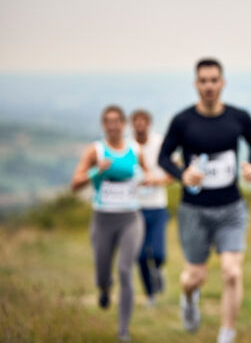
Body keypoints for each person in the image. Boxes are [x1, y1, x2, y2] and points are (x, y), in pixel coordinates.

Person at [158, 58, 251, 343]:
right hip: (194, 212)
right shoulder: (183, 121)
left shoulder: (238, 117)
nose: (209, 86)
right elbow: (163, 157)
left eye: (214, 80)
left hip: (231, 209)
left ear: (222, 82)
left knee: (231, 272)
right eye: (203, 81)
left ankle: (226, 334)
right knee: (195, 277)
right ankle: (189, 299)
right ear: (196, 84)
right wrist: (182, 174)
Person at [71, 105, 150, 342]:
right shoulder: (96, 151)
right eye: (108, 121)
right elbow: (75, 184)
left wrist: (141, 180)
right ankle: (104, 288)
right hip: (103, 219)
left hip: (130, 218)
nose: (113, 125)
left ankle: (123, 330)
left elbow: (145, 175)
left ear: (123, 124)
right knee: (102, 272)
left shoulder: (135, 150)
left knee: (125, 270)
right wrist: (97, 171)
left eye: (117, 121)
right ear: (103, 125)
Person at [130, 109, 171, 306]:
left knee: (157, 253)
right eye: (136, 122)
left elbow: (172, 174)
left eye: (143, 121)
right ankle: (150, 294)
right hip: (134, 208)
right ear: (132, 125)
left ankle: (159, 271)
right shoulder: (127, 147)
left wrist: (154, 181)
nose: (139, 125)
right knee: (139, 256)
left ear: (149, 124)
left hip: (157, 206)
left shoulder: (159, 144)